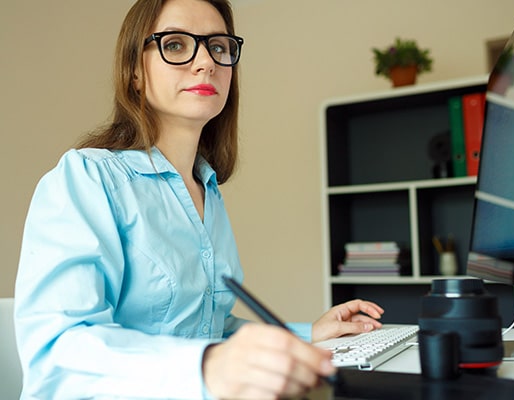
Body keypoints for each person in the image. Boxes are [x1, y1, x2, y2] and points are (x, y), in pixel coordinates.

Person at [14, 0, 385, 398]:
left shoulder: (206, 189)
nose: (206, 62)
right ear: (135, 71)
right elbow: (58, 351)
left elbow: (206, 327)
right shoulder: (87, 178)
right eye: (175, 44)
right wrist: (208, 368)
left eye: (219, 47)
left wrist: (305, 334)